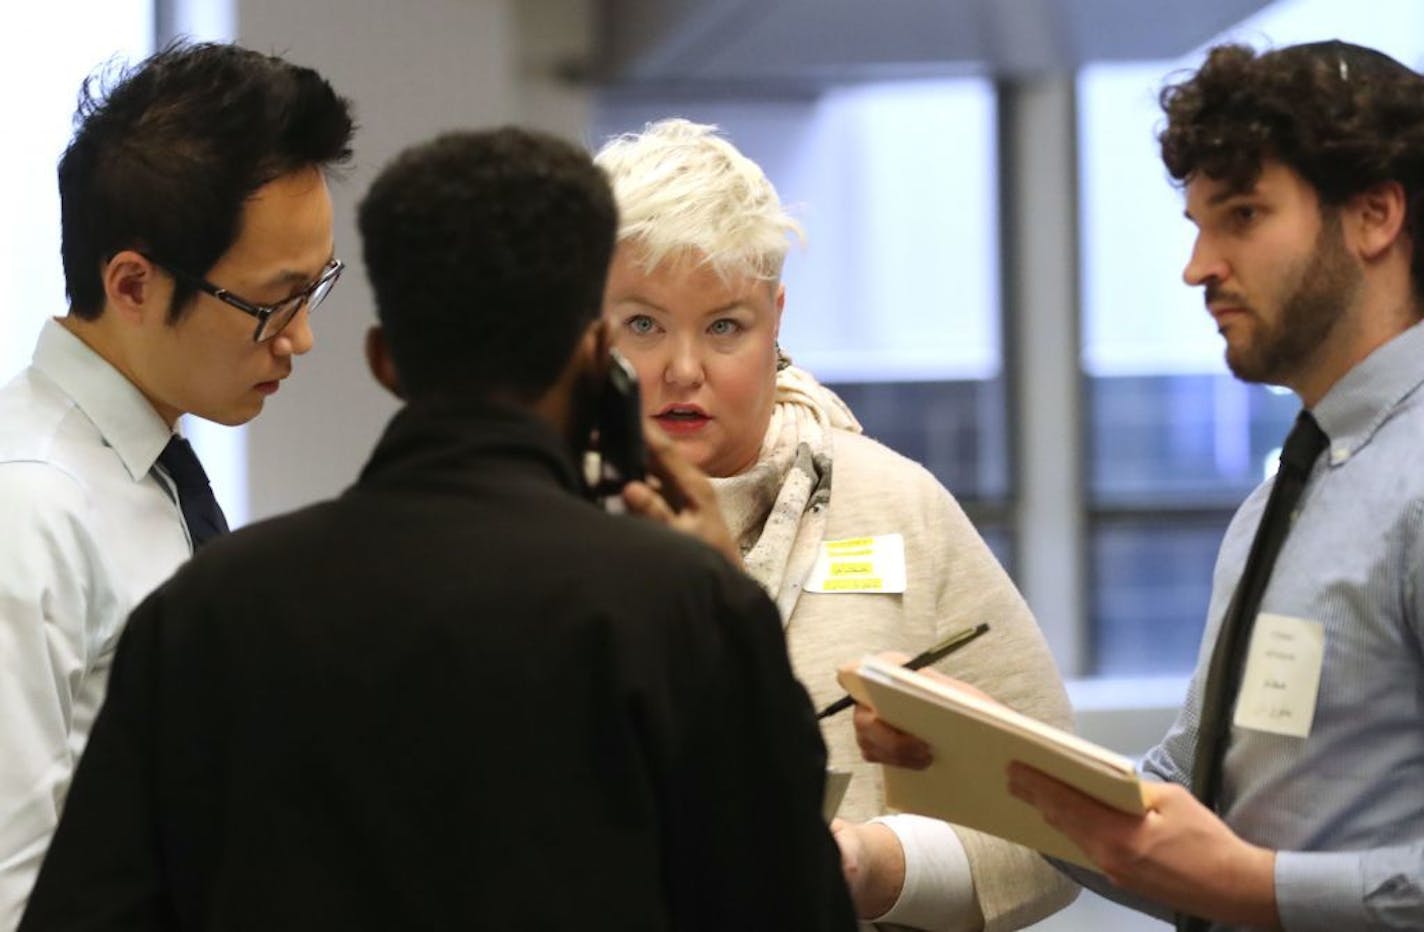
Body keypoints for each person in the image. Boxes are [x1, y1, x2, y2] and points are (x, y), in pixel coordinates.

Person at [18, 127, 855, 931]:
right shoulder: (680, 609)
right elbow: (788, 902)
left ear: (386, 362)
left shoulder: (205, 608)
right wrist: (730, 617)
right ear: (596, 355)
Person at [855, 39, 1424, 931]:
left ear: (1375, 215)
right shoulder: (1281, 501)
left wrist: (1255, 888)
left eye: (1241, 216)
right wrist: (975, 757)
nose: (1198, 267)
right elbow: (1175, 811)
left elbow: (1224, 870)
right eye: (1197, 225)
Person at [595, 118, 1076, 931]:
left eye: (724, 327)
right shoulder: (534, 520)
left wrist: (878, 867)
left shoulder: (898, 506)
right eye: (643, 325)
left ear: (775, 317)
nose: (684, 369)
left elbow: (1064, 828)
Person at [0, 42, 353, 928]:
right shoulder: (29, 503)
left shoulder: (148, 468)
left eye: (319, 290)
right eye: (275, 302)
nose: (301, 339)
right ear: (131, 283)